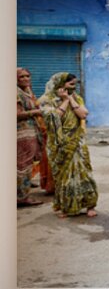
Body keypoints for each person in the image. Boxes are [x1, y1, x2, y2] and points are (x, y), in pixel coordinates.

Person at [38, 72, 98, 218]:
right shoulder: (46, 100)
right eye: (70, 83)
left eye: (75, 84)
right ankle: (66, 207)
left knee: (84, 172)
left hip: (77, 140)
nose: (74, 86)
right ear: (59, 83)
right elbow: (54, 118)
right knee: (63, 176)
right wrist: (64, 100)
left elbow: (83, 115)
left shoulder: (76, 97)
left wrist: (70, 99)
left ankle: (90, 205)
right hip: (58, 143)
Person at [16, 68, 45, 206]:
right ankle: (22, 197)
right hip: (21, 134)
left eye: (28, 76)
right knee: (23, 165)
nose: (26, 79)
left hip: (30, 131)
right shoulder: (15, 92)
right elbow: (16, 114)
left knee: (25, 164)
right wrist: (36, 112)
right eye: (22, 77)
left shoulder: (26, 91)